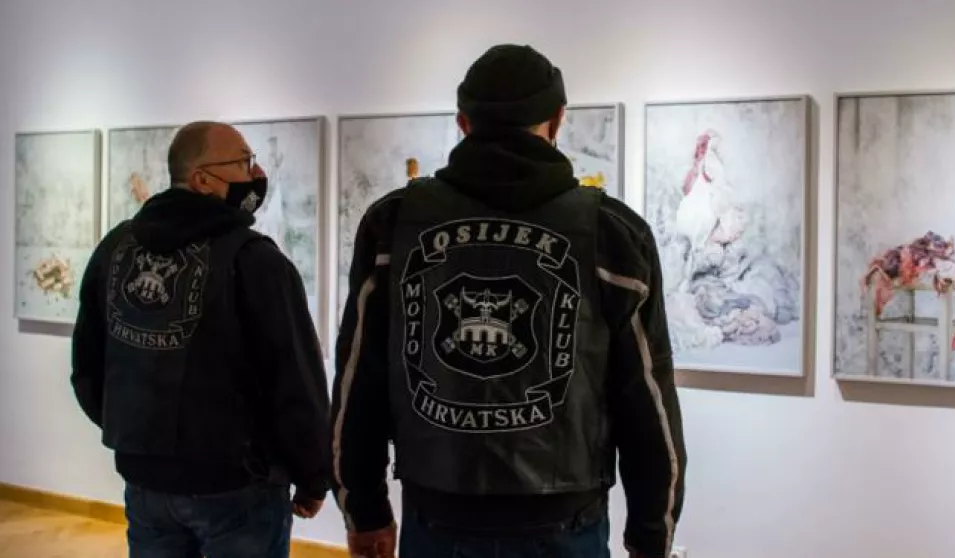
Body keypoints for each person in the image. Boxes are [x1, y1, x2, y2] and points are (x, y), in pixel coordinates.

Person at [331, 44, 687, 558]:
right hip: (564, 520)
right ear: (557, 119)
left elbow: (358, 378)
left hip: (437, 515)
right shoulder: (613, 233)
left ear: (463, 122)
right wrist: (653, 531)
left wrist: (363, 508)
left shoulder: (393, 225)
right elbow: (648, 396)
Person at [70, 121, 333, 558]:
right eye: (244, 162)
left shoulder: (116, 250)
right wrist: (313, 474)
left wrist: (137, 440)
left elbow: (88, 364)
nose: (256, 173)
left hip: (146, 481)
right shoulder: (254, 259)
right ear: (203, 179)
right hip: (237, 485)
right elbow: (295, 381)